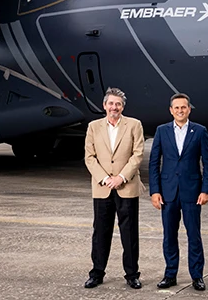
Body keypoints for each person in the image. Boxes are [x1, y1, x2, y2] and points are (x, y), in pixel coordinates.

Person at [149, 93, 208, 291]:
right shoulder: (161, 131)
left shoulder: (200, 131)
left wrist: (205, 190)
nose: (180, 111)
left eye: (183, 107)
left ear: (189, 109)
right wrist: (155, 191)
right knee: (169, 236)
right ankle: (170, 275)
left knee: (194, 235)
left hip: (192, 193)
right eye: (176, 108)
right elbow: (154, 163)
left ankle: (197, 276)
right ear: (171, 110)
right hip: (168, 193)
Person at [83, 87, 145, 289]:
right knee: (100, 232)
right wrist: (104, 178)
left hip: (126, 187)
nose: (114, 107)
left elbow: (137, 155)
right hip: (102, 188)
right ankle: (97, 273)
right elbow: (89, 157)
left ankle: (132, 274)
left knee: (129, 232)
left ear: (122, 106)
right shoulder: (93, 127)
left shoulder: (134, 125)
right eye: (111, 103)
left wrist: (121, 177)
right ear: (104, 106)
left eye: (118, 104)